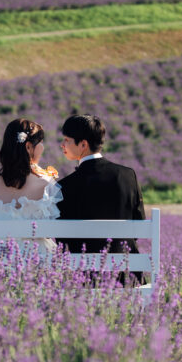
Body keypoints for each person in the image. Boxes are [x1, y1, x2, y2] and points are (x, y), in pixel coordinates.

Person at [56, 114, 146, 286]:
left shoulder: (64, 186)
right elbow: (138, 225)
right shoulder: (127, 175)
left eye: (67, 140)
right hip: (126, 274)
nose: (62, 145)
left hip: (83, 278)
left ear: (83, 144)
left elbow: (62, 241)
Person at [0, 118, 61, 259]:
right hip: (33, 257)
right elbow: (47, 231)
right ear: (28, 147)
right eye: (41, 143)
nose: (43, 147)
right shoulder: (45, 184)